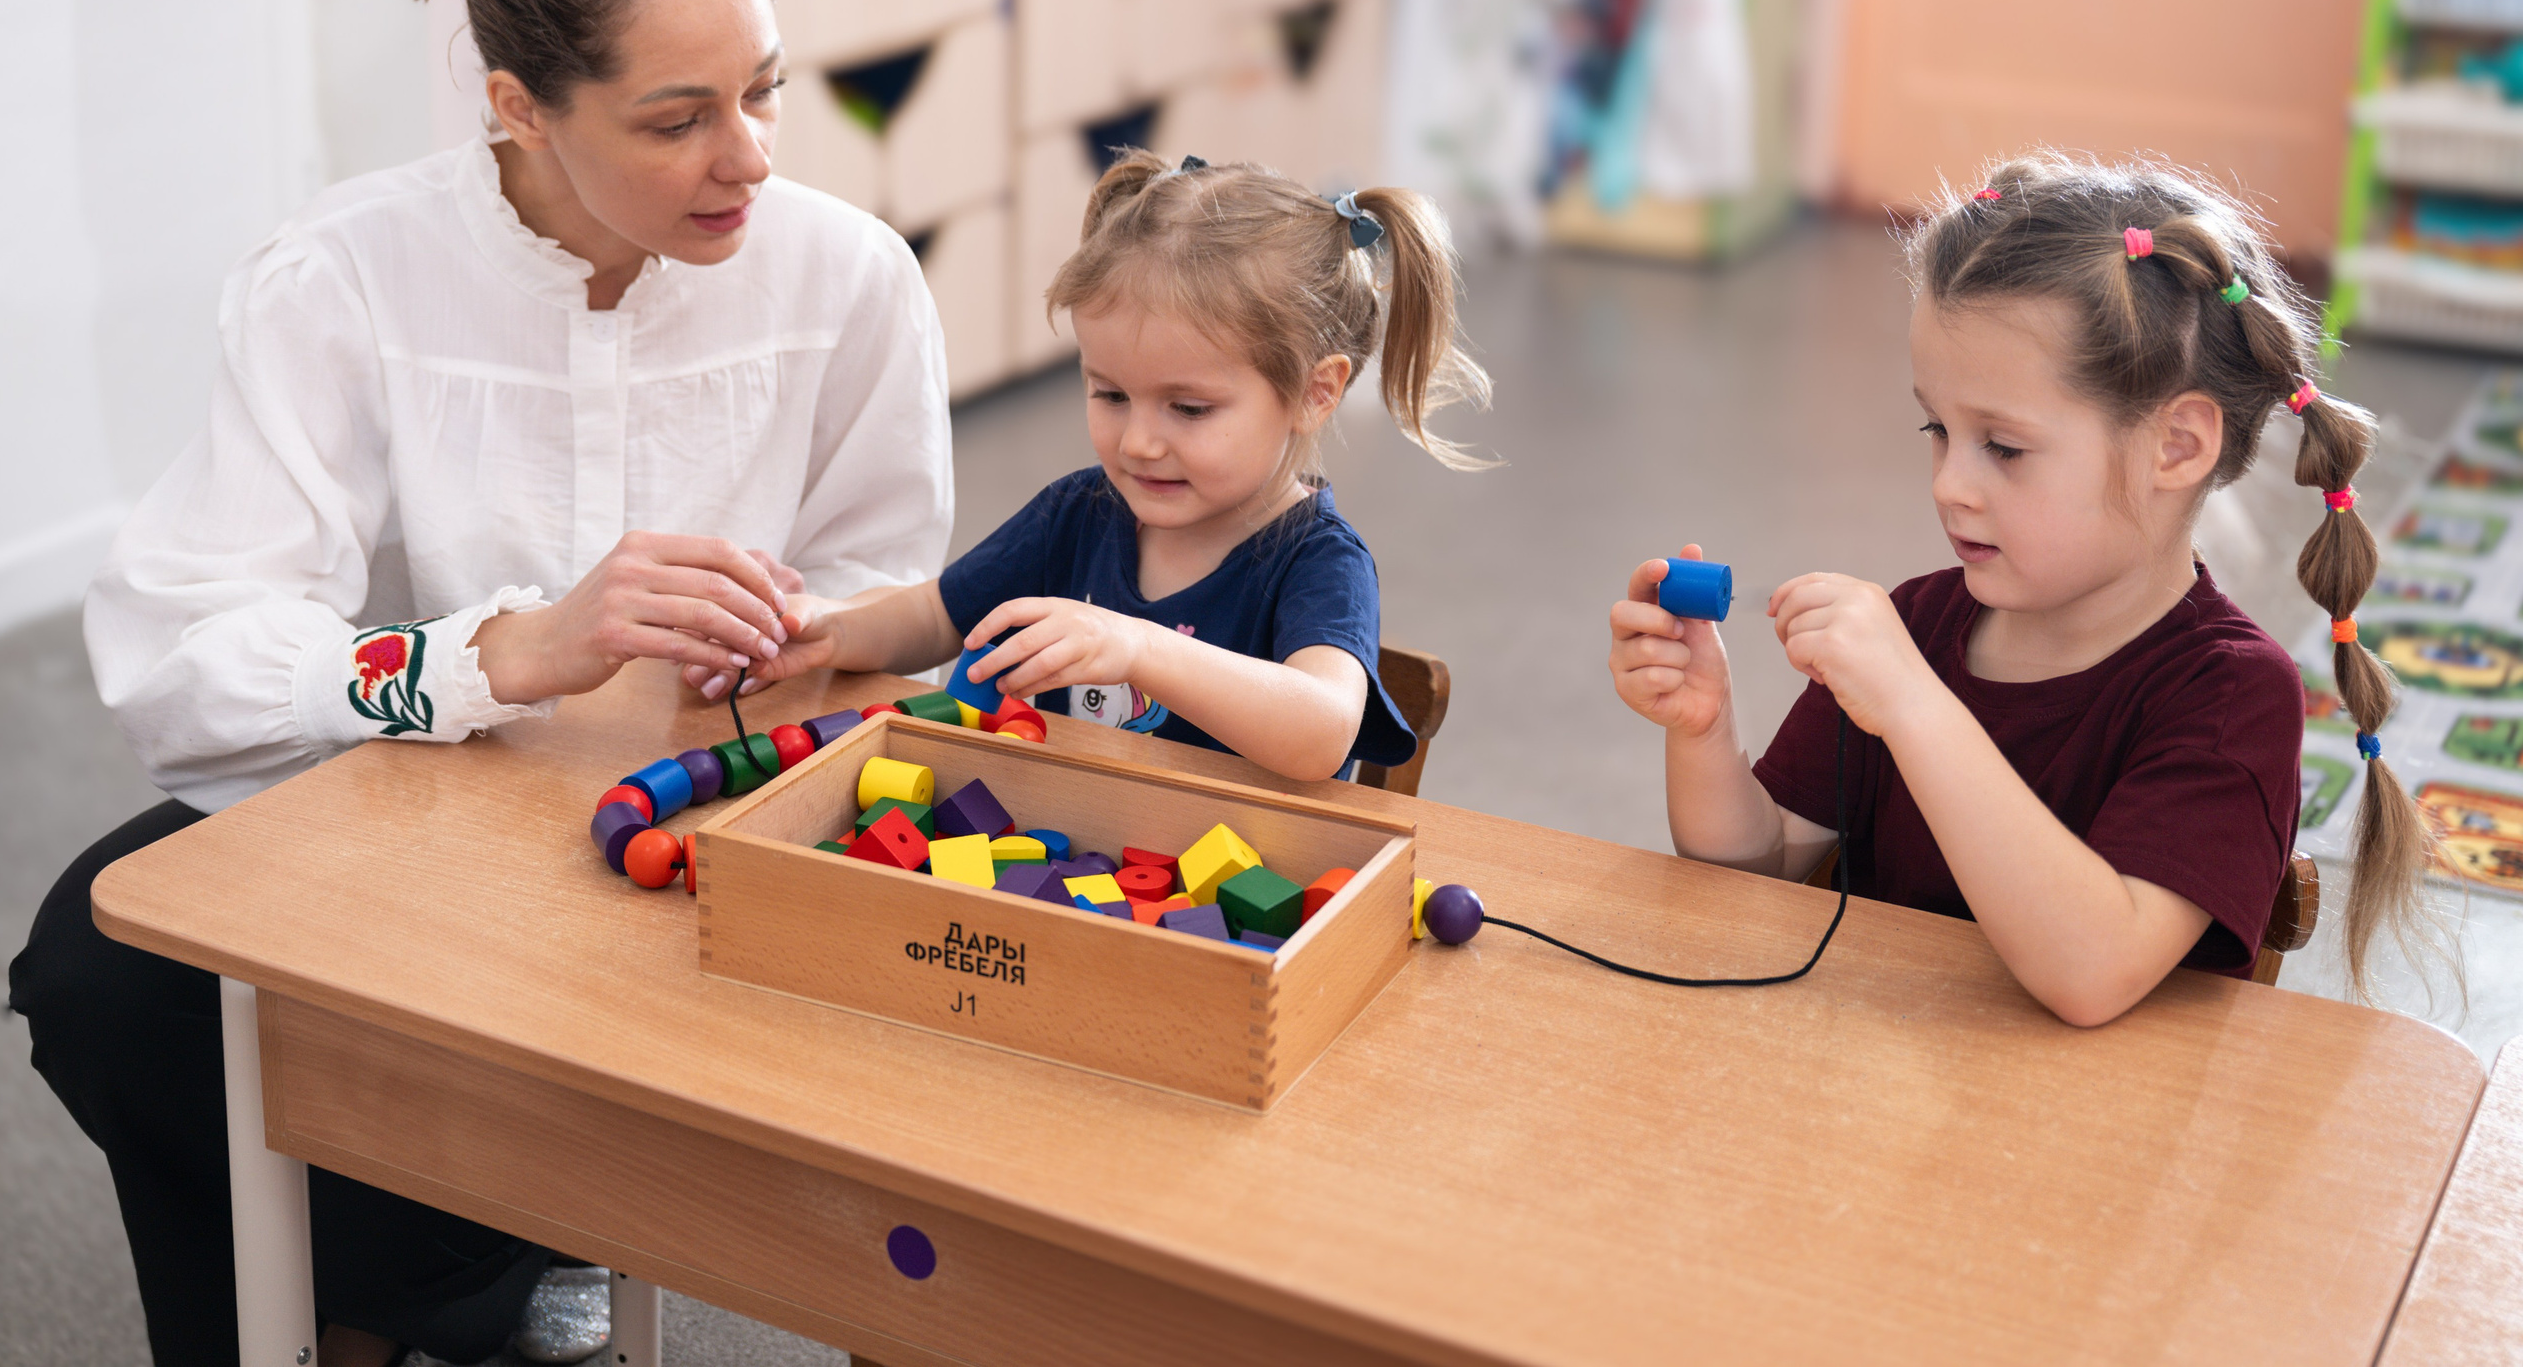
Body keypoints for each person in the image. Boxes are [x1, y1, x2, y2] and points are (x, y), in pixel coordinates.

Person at [8, 0, 954, 1366]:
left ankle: (404, 1285)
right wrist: (498, 654)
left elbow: (889, 606)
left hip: (700, 813)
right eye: (678, 117)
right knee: (97, 977)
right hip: (418, 801)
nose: (751, 157)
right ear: (516, 103)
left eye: (765, 90)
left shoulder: (848, 282)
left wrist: (782, 655)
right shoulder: (343, 276)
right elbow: (183, 658)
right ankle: (442, 1270)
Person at [1606, 154, 2451, 1027]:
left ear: (2178, 446)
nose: (1948, 485)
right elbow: (1759, 874)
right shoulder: (1921, 625)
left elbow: (2091, 971)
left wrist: (1915, 706)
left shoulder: (2233, 697)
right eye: (1938, 430)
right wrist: (1705, 735)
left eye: (2003, 447)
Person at [746, 152, 1491, 781]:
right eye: (1109, 394)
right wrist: (833, 629)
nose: (1138, 443)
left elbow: (1323, 727)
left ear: (1313, 392)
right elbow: (936, 616)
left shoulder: (1317, 560)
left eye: (1188, 409)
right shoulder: (1079, 514)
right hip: (1068, 858)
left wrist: (1137, 647)